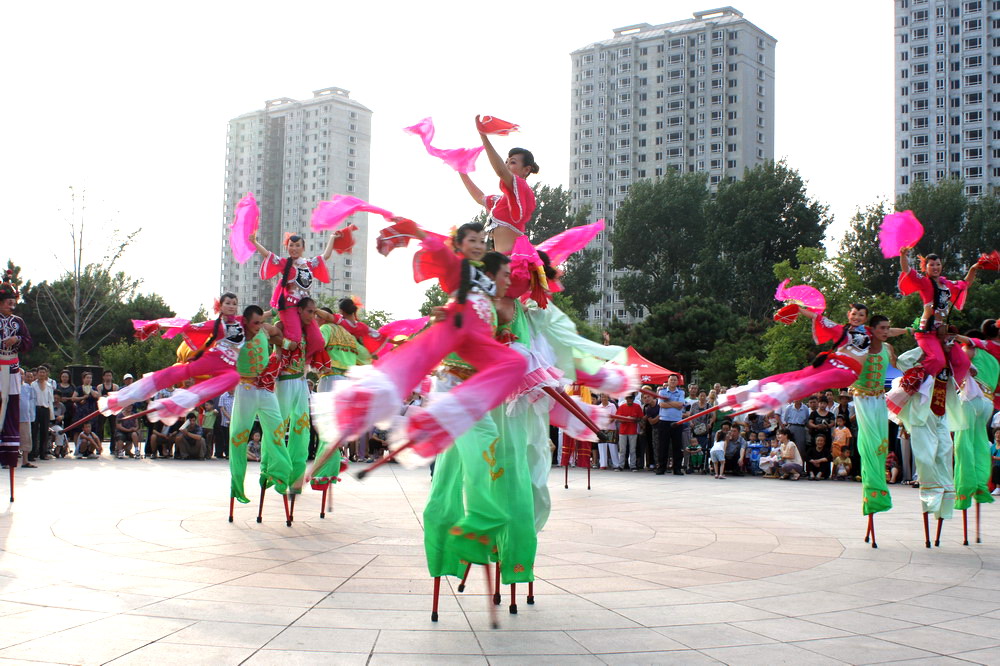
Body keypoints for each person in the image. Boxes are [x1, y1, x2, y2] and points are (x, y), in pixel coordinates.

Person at [311, 222, 527, 466]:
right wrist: (413, 231)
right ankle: (349, 429)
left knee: (516, 361)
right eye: (472, 241)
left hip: (472, 339)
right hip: (454, 333)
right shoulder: (458, 265)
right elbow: (439, 250)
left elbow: (503, 294)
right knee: (397, 376)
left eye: (481, 241)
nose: (479, 246)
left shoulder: (485, 281)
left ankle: (447, 413)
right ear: (460, 244)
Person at [100, 293, 248, 424]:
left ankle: (172, 403)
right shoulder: (215, 324)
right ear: (220, 306)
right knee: (180, 371)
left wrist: (272, 308)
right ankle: (128, 396)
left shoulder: (242, 321)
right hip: (214, 359)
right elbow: (188, 327)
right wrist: (159, 325)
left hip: (228, 367)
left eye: (234, 303)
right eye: (227, 303)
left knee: (233, 378)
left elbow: (261, 316)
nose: (231, 306)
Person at [251, 229, 345, 369]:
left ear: (303, 248)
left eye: (297, 245)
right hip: (289, 307)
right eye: (291, 245)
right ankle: (280, 351)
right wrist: (254, 241)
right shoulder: (284, 263)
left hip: (305, 310)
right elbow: (267, 254)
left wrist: (332, 238)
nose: (294, 248)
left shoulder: (309, 264)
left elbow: (325, 256)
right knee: (294, 339)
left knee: (318, 341)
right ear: (287, 247)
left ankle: (303, 362)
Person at [898, 248, 979, 386]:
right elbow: (907, 270)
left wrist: (973, 268)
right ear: (925, 267)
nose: (935, 267)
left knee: (963, 362)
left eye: (938, 264)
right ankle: (914, 381)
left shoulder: (947, 284)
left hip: (942, 332)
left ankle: (949, 388)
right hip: (927, 331)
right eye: (931, 265)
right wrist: (903, 255)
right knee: (937, 360)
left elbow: (965, 284)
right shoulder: (924, 282)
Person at [459, 118, 538, 255]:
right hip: (502, 262)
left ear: (526, 170)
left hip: (515, 261)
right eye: (506, 161)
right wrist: (461, 171)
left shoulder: (522, 187)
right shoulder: (501, 202)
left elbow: (500, 171)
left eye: (512, 162)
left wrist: (483, 136)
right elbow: (479, 197)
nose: (507, 165)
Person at [656, 375, 685, 475]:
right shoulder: (662, 392)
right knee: (663, 445)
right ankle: (661, 468)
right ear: (668, 381)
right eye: (671, 380)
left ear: (677, 382)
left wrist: (668, 401)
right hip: (664, 421)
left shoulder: (681, 392)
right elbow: (661, 405)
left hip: (677, 422)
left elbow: (680, 405)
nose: (673, 381)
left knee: (677, 446)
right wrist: (675, 404)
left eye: (675, 380)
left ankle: (677, 468)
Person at [30, 366, 53, 461]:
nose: (42, 374)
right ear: (37, 373)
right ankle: (32, 453)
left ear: (46, 374)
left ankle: (43, 453)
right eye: (40, 372)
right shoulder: (33, 385)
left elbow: (50, 400)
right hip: (35, 409)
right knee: (34, 432)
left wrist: (51, 414)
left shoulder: (49, 385)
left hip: (45, 409)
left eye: (44, 372)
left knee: (44, 432)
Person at [615, 393, 643, 471]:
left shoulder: (637, 407)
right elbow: (618, 418)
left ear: (633, 399)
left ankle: (633, 465)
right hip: (623, 431)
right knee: (622, 449)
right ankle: (621, 465)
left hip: (633, 430)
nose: (629, 400)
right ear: (625, 398)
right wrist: (626, 419)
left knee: (632, 449)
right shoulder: (622, 407)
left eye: (631, 398)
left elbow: (640, 418)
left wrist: (634, 419)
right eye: (628, 398)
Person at [595, 394, 619, 470]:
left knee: (612, 447)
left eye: (605, 396)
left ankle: (616, 464)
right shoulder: (598, 407)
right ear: (600, 398)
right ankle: (603, 464)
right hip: (601, 429)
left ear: (608, 397)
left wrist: (606, 422)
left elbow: (614, 417)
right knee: (602, 447)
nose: (604, 398)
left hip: (611, 428)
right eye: (602, 397)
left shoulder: (612, 406)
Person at [95, 370, 119, 446]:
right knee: (100, 428)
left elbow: (115, 397)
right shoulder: (100, 386)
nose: (108, 377)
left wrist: (106, 397)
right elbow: (99, 397)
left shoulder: (115, 386)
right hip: (103, 409)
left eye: (110, 376)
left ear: (112, 377)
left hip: (112, 409)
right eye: (107, 375)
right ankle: (98, 445)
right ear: (103, 377)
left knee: (113, 428)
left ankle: (113, 447)